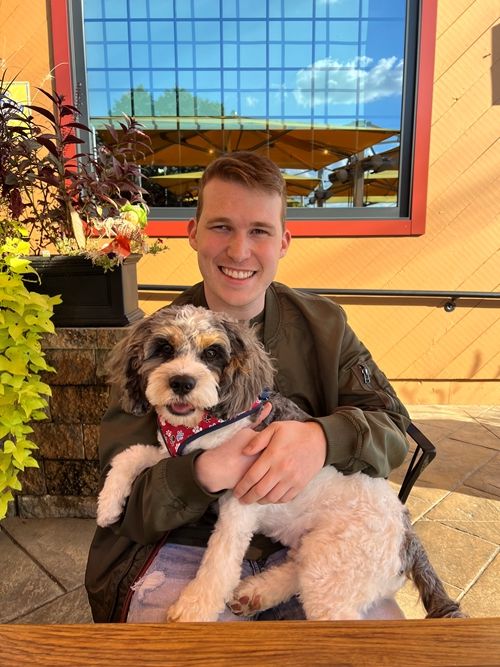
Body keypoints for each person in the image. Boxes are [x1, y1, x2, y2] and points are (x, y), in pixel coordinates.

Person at [85, 151, 411, 623]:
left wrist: (322, 439)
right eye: (222, 227)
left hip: (311, 536)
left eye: (259, 231)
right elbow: (129, 506)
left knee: (377, 646)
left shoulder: (326, 325)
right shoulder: (154, 345)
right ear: (193, 233)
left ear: (284, 241)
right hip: (181, 544)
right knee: (188, 650)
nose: (239, 251)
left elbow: (394, 429)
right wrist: (201, 473)